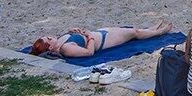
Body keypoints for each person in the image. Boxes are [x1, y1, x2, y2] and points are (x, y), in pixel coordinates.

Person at [30, 21, 175, 58]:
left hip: (100, 33)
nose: (51, 36)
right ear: (50, 47)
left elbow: (74, 37)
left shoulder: (61, 42)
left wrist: (73, 31)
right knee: (134, 33)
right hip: (105, 40)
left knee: (132, 31)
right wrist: (89, 36)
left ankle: (151, 29)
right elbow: (89, 53)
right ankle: (159, 32)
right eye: (49, 39)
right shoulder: (66, 48)